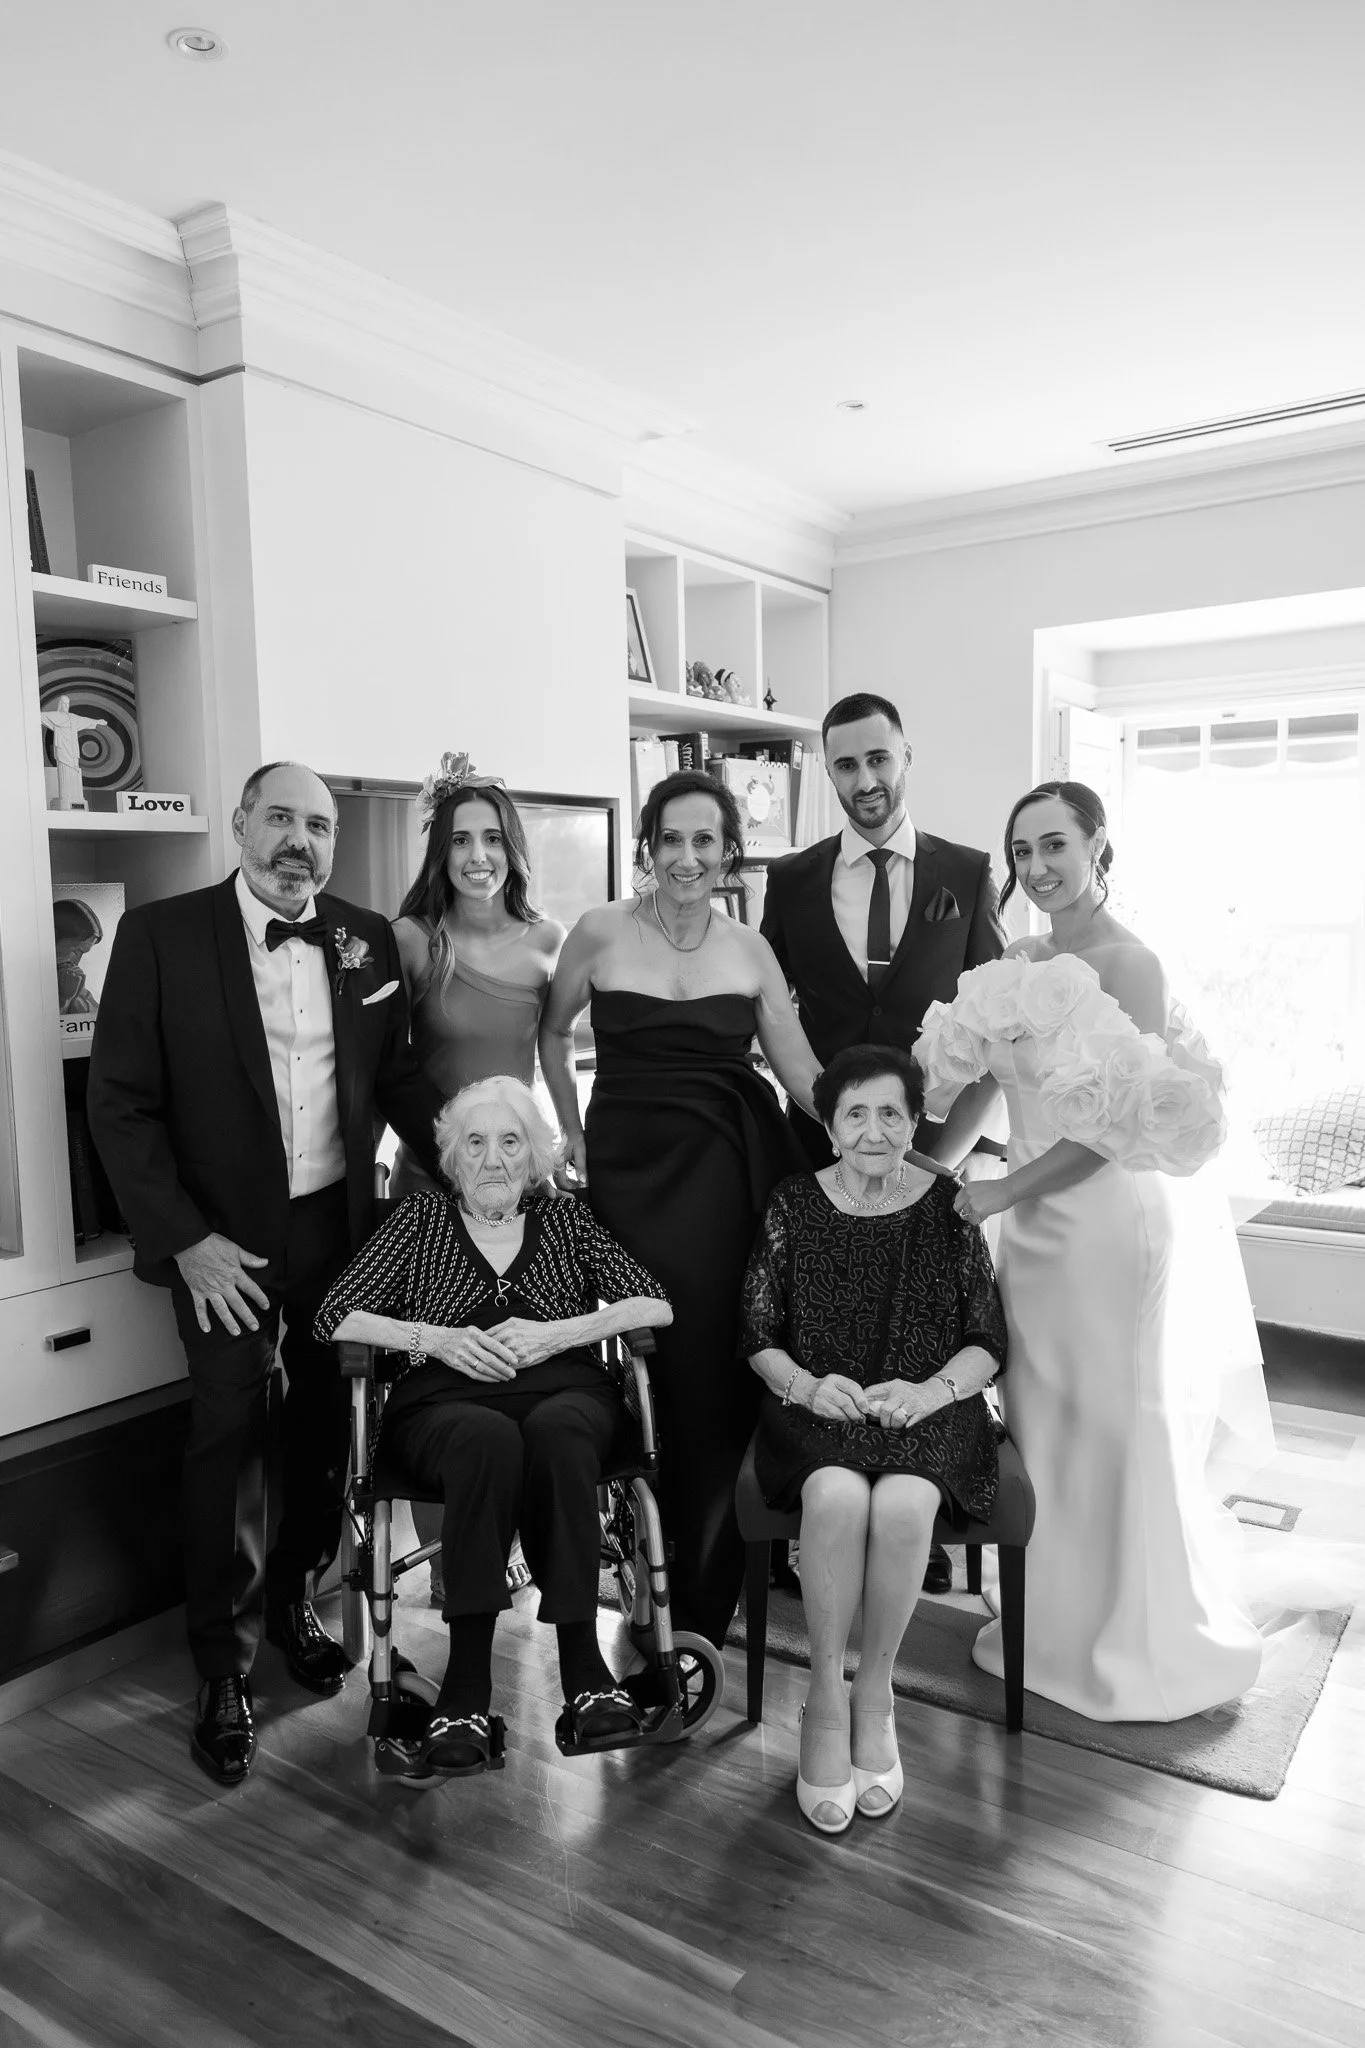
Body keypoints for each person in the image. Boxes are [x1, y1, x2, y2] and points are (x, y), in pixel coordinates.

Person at [87, 761, 444, 1785]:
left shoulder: (366, 937)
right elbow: (118, 1103)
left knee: (326, 1425)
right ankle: (223, 1664)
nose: (300, 840)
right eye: (280, 817)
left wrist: (473, 1153)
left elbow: (401, 1076)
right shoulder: (159, 936)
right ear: (240, 822)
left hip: (338, 1227)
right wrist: (186, 1239)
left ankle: (295, 1597)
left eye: (318, 825)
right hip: (222, 1242)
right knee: (229, 1430)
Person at [918, 780, 1269, 1721]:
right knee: (1041, 1414)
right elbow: (990, 1087)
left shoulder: (1133, 965)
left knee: (1114, 1413)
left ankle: (1133, 1636)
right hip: (1028, 1223)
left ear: (1097, 848)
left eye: (1053, 847)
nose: (1036, 869)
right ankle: (1051, 1620)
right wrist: (922, 1168)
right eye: (1021, 852)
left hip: (1105, 1222)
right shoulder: (1019, 958)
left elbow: (1112, 1128)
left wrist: (997, 1191)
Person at [314, 1076, 673, 1773]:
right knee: (487, 1439)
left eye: (510, 1141)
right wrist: (436, 1340)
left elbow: (652, 1304)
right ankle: (466, 1687)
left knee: (559, 1432)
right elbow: (336, 1314)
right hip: (444, 1405)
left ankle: (584, 1675)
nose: (492, 1159)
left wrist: (558, 1332)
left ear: (533, 1154)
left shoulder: (566, 1222)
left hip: (564, 1389)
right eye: (474, 1143)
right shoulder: (418, 1223)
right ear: (452, 1158)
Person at [540, 769, 819, 1651]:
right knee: (635, 1365)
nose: (687, 857)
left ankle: (696, 1591)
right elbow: (551, 1031)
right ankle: (631, 1562)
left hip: (726, 1174)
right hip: (627, 1172)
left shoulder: (749, 950)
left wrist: (882, 1136)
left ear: (729, 853)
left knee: (706, 1371)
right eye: (671, 839)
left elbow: (803, 1075)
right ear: (647, 847)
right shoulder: (598, 932)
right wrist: (571, 1132)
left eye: (705, 841)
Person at [759, 691, 1006, 1599]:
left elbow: (996, 1031)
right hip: (821, 1146)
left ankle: (922, 1514)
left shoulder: (969, 874)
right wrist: (824, 1128)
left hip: (931, 1144)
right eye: (845, 766)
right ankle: (812, 1522)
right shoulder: (788, 881)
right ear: (827, 773)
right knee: (828, 1320)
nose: (864, 781)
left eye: (878, 760)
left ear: (906, 756)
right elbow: (769, 1010)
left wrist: (943, 1157)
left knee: (922, 1324)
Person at [742, 1044, 1005, 1834]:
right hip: (815, 1408)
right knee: (832, 1493)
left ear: (913, 1121)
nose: (873, 1129)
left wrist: (929, 1392)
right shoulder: (793, 1202)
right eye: (854, 1112)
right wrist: (806, 1385)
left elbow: (986, 1337)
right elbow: (756, 1330)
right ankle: (823, 1697)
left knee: (900, 1507)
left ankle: (875, 1695)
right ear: (828, 1126)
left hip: (929, 1411)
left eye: (891, 1111)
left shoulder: (948, 1205)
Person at [390, 752, 565, 1605]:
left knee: (518, 1365)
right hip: (429, 1182)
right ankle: (455, 1565)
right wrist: (440, 1164)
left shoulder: (546, 941)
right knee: (441, 1372)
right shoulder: (415, 938)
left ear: (512, 847)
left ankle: (515, 1532)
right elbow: (387, 1070)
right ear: (440, 852)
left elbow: (558, 1055)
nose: (476, 855)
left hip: (518, 1184)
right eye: (459, 840)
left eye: (491, 837)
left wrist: (565, 1151)